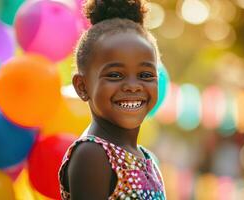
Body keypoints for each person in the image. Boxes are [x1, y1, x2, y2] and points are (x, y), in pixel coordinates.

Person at [58, 0, 166, 199]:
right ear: (82, 87)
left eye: (145, 75)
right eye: (115, 75)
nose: (133, 86)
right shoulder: (92, 154)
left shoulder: (145, 157)